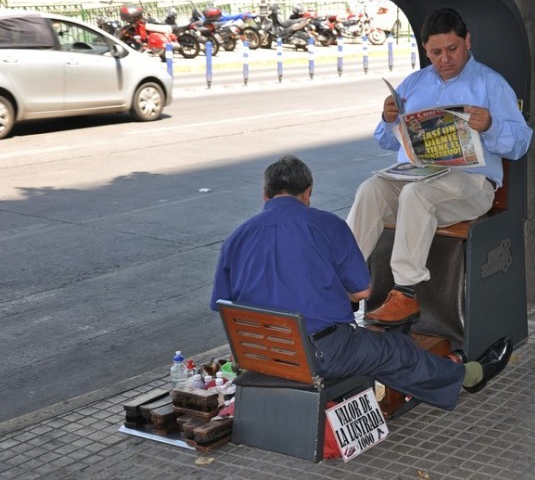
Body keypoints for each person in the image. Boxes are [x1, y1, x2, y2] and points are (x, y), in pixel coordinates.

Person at [209, 155, 513, 409]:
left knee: (367, 346)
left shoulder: (237, 236)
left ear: (265, 195)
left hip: (256, 352)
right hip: (317, 354)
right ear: (308, 193)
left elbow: (222, 303)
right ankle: (469, 376)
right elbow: (362, 291)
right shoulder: (326, 225)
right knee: (394, 349)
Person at [347, 7, 533, 326]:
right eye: (436, 52)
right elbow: (388, 142)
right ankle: (346, 283)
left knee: (416, 196)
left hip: (471, 186)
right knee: (371, 189)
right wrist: (388, 119)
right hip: (419, 176)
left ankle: (405, 292)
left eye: (452, 49)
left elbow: (520, 143)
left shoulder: (491, 84)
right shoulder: (414, 84)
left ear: (467, 41)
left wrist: (489, 126)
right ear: (425, 50)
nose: (445, 59)